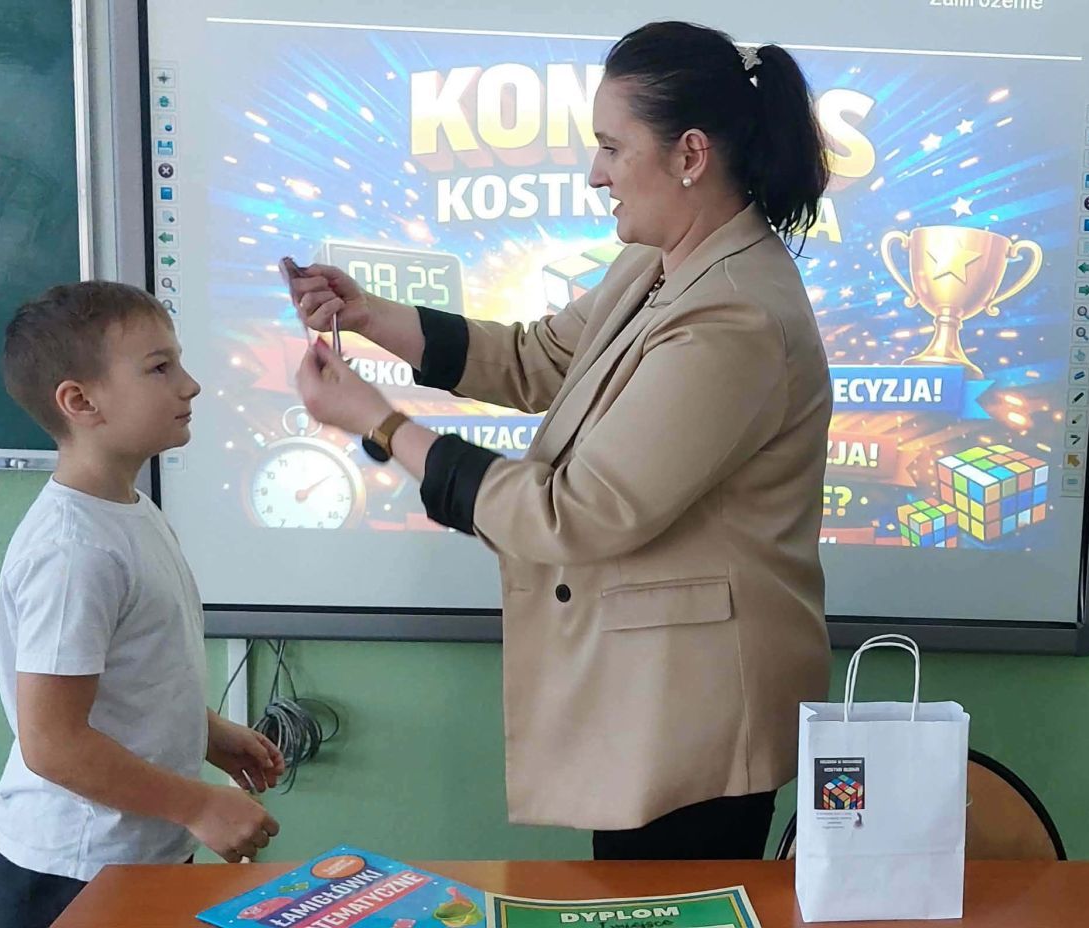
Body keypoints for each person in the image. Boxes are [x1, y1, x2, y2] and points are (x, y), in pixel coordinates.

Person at [290, 20, 832, 860]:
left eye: (612, 148)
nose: (595, 174)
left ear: (690, 154)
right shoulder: (661, 263)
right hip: (652, 702)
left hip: (695, 720)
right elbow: (538, 357)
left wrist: (382, 425)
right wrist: (370, 316)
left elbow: (576, 512)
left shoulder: (735, 316)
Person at [0, 282, 283, 928]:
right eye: (160, 368)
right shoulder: (74, 550)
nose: (190, 386)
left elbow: (129, 678)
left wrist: (207, 731)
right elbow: (52, 743)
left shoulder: (130, 512)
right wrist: (197, 805)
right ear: (80, 401)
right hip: (77, 866)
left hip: (138, 846)